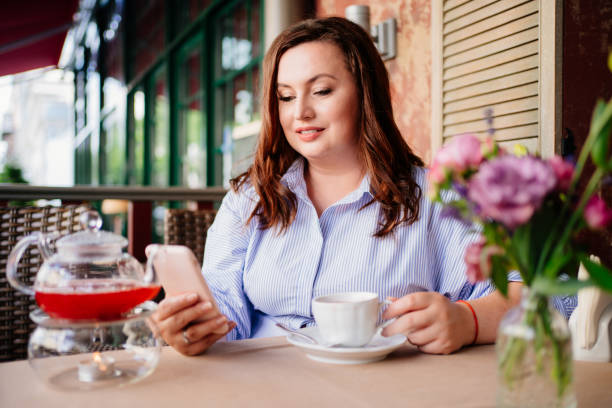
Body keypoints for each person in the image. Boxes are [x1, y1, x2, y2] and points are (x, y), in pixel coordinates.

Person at [152, 17, 573, 357]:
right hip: (255, 388)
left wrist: (469, 321)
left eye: (321, 90)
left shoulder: (434, 197)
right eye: (284, 96)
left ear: (365, 94)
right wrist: (192, 328)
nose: (301, 112)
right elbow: (223, 312)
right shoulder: (250, 199)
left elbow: (550, 299)